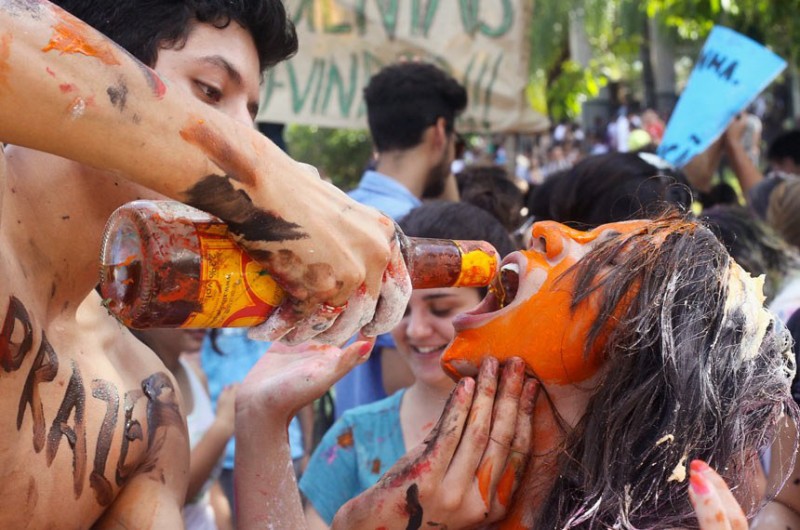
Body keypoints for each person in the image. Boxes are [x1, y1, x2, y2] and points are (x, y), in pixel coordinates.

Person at [0, 1, 411, 527]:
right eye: (211, 91)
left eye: (251, 117)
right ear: (97, 57)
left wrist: (262, 419)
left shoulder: (145, 398)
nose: (247, 138)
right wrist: (264, 178)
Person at [237, 213, 797, 528]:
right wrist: (261, 416)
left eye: (603, 259)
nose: (547, 231)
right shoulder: (440, 498)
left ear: (637, 355)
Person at [299, 202, 517, 528]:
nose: (416, 330)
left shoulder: (542, 431)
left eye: (440, 309)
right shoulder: (354, 437)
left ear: (499, 306)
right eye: (401, 310)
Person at [335, 61, 468, 419]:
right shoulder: (415, 237)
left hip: (346, 435)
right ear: (440, 132)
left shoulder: (339, 212)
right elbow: (405, 377)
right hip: (401, 440)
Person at [131, 328, 235, 530]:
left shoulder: (196, 375)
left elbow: (209, 486)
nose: (200, 319)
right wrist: (223, 427)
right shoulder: (135, 387)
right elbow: (168, 496)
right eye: (185, 310)